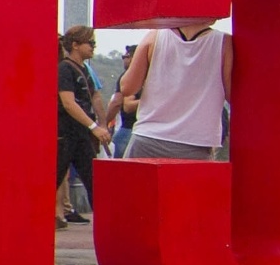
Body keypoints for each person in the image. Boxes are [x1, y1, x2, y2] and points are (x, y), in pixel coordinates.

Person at [116, 22, 233, 160]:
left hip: (147, 138)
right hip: (196, 143)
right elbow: (232, 95)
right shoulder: (224, 43)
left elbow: (127, 87)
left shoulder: (155, 36)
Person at [55, 26, 109, 227]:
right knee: (55, 177)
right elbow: (68, 103)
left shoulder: (85, 70)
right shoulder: (65, 69)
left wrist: (100, 125)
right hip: (65, 134)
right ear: (76, 45)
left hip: (81, 135)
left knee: (93, 179)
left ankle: (106, 224)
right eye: (90, 43)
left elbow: (94, 97)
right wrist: (94, 126)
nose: (93, 47)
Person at [104, 43, 140, 159]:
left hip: (129, 129)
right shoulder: (153, 74)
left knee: (120, 171)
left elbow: (118, 104)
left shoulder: (128, 76)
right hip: (150, 131)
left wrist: (104, 124)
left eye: (126, 56)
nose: (124, 59)